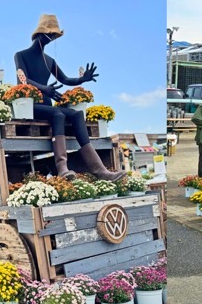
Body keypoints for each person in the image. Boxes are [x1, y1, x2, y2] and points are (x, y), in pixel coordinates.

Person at [15, 14, 125, 181]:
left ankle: (100, 170)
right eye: (51, 35)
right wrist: (44, 88)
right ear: (40, 34)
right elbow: (22, 80)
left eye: (54, 36)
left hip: (47, 106)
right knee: (58, 114)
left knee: (76, 114)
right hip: (30, 105)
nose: (52, 39)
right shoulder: (21, 56)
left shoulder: (49, 60)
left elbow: (65, 79)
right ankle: (62, 167)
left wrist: (82, 79)